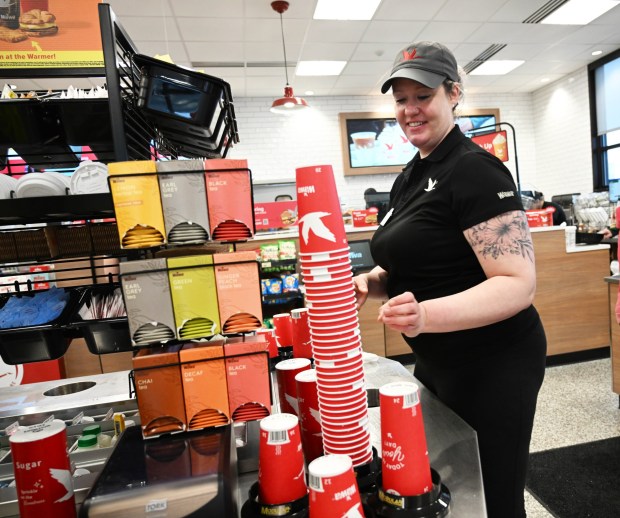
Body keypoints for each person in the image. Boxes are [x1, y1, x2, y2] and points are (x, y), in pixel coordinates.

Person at [353, 41, 547, 518]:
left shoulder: (475, 170)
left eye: (423, 95)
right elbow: (408, 263)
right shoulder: (412, 174)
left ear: (453, 93)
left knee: (494, 497)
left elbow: (516, 283)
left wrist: (424, 314)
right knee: (453, 486)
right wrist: (369, 282)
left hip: (494, 362)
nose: (410, 109)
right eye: (401, 99)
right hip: (438, 360)